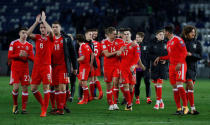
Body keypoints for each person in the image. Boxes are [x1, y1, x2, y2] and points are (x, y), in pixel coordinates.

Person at [154, 25, 189, 115]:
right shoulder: (169, 42)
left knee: (180, 86)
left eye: (164, 32)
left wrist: (180, 63)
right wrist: (161, 58)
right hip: (172, 67)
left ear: (167, 32)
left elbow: (184, 52)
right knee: (175, 88)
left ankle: (185, 107)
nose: (163, 33)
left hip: (180, 65)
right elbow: (170, 56)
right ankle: (178, 109)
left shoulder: (178, 39)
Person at [27, 12, 54, 117]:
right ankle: (43, 104)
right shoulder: (37, 37)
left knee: (46, 88)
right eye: (41, 28)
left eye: (44, 27)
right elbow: (28, 34)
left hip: (46, 66)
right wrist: (36, 22)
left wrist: (44, 21)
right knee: (33, 88)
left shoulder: (50, 38)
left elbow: (51, 31)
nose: (43, 29)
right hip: (36, 67)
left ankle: (44, 110)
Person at [50, 21, 77, 115]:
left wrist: (75, 67)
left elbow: (73, 54)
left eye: (56, 27)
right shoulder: (50, 39)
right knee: (56, 88)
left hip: (63, 67)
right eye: (53, 27)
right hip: (53, 67)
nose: (54, 28)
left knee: (62, 88)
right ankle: (59, 107)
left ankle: (61, 109)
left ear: (60, 27)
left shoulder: (66, 39)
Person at [8, 27, 34, 114]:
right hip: (15, 69)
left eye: (26, 33)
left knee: (25, 88)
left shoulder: (29, 45)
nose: (24, 35)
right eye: (23, 33)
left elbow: (32, 58)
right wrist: (19, 55)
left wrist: (26, 56)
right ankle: (15, 105)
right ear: (19, 33)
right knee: (15, 88)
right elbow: (10, 56)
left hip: (25, 69)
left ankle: (24, 108)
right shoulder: (13, 43)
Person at [117, 29, 144, 110]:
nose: (126, 35)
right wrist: (120, 50)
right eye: (125, 34)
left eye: (128, 34)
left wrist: (134, 65)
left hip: (132, 68)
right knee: (125, 85)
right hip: (123, 67)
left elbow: (137, 56)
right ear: (123, 35)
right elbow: (118, 54)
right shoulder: (121, 44)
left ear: (130, 35)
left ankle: (130, 102)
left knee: (131, 87)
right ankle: (129, 104)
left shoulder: (135, 44)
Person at [101, 27, 124, 110]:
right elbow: (107, 54)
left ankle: (115, 103)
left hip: (117, 65)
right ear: (109, 34)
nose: (116, 35)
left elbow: (121, 50)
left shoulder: (120, 41)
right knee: (108, 85)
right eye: (114, 34)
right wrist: (116, 52)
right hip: (107, 66)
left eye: (116, 33)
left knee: (116, 82)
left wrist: (119, 52)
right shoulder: (103, 42)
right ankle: (110, 103)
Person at [181, 25, 202, 115]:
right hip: (184, 66)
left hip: (193, 67)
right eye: (191, 32)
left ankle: (184, 108)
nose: (193, 33)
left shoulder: (197, 43)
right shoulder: (182, 42)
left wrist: (191, 54)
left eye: (194, 32)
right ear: (186, 33)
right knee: (190, 85)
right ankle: (193, 108)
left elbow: (199, 56)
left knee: (188, 88)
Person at [149, 30, 168, 109]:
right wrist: (155, 59)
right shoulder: (152, 43)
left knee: (159, 82)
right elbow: (149, 54)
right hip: (155, 65)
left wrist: (166, 60)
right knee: (155, 83)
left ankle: (157, 103)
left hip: (163, 66)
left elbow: (170, 54)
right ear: (156, 35)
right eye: (160, 34)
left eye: (163, 34)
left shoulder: (167, 43)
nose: (162, 36)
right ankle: (161, 101)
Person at [134, 32, 152, 104]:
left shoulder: (146, 45)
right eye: (136, 37)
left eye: (138, 37)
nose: (136, 38)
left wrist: (149, 67)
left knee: (147, 82)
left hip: (145, 68)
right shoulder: (134, 45)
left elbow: (149, 57)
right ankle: (137, 99)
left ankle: (148, 98)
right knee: (137, 84)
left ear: (142, 38)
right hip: (137, 68)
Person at [76, 34, 94, 104]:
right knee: (81, 82)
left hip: (84, 66)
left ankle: (85, 100)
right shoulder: (86, 45)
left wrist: (75, 60)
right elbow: (92, 54)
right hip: (84, 66)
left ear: (77, 40)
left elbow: (83, 57)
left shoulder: (82, 46)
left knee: (83, 83)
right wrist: (91, 64)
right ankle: (88, 97)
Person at [89, 29, 103, 100]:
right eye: (93, 34)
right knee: (95, 78)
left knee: (91, 79)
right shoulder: (98, 43)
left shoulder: (88, 43)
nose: (94, 35)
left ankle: (91, 96)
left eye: (95, 34)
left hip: (91, 61)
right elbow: (101, 53)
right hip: (97, 61)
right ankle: (100, 92)